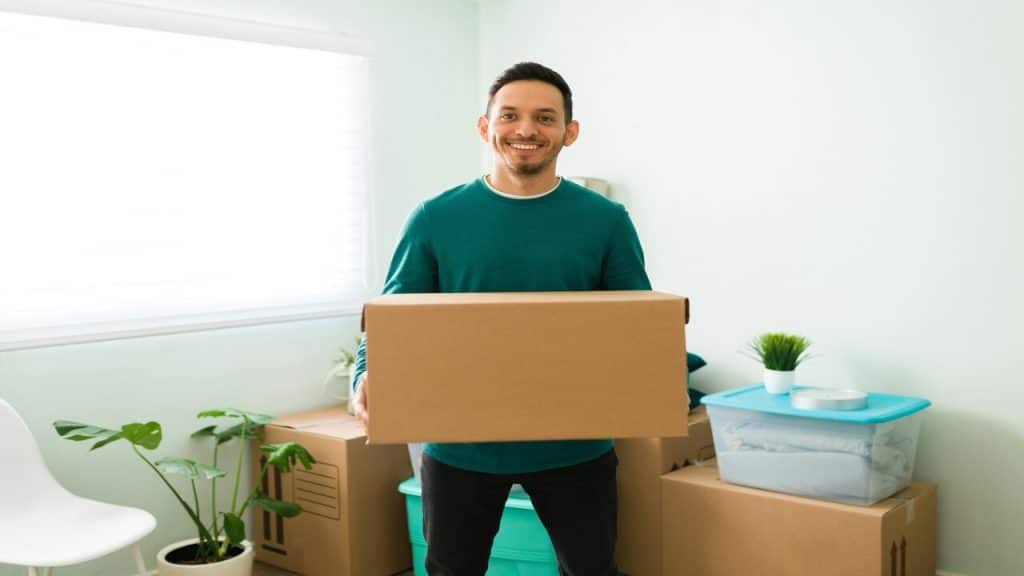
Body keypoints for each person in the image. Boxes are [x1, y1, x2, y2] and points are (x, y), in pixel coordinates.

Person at [351, 62, 650, 576]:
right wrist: (365, 373)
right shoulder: (435, 217)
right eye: (509, 115)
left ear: (569, 132)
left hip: (576, 443)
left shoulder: (605, 220)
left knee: (592, 569)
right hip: (460, 445)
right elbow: (390, 318)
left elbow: (638, 326)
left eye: (545, 117)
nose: (526, 129)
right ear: (485, 127)